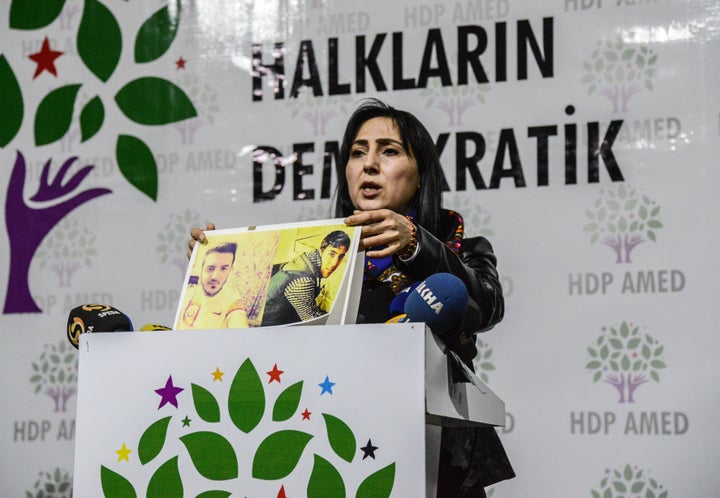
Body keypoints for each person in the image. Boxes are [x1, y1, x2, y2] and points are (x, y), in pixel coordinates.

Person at [188, 99, 514, 496]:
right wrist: (218, 271)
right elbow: (260, 334)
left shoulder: (458, 249)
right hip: (330, 448)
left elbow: (487, 306)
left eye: (389, 151)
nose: (369, 164)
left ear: (420, 174)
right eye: (358, 153)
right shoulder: (315, 260)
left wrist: (416, 245)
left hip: (433, 458)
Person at [261, 230, 350, 326]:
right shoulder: (304, 281)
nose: (334, 263)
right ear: (323, 248)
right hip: (269, 325)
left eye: (340, 257)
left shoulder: (308, 258)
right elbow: (312, 319)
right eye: (332, 254)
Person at [177, 242, 249, 330]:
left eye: (224, 269)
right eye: (210, 268)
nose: (215, 277)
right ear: (202, 268)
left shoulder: (232, 299)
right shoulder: (188, 292)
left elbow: (239, 324)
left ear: (230, 270)